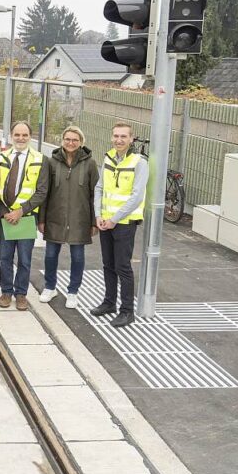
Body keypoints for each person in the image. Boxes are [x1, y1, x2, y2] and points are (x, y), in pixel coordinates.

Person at [90, 121, 149, 328]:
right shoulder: (107, 159)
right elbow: (99, 188)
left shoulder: (139, 162)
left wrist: (114, 219)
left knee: (122, 267)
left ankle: (127, 311)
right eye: (116, 136)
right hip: (106, 221)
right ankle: (109, 303)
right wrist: (98, 215)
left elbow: (136, 197)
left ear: (131, 139)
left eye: (123, 136)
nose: (119, 140)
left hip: (123, 223)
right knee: (108, 265)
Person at [38, 126, 99, 310]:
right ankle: (50, 287)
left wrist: (94, 221)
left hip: (80, 220)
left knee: (78, 257)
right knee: (50, 255)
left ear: (81, 142)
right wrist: (41, 219)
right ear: (62, 140)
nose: (71, 143)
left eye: (75, 140)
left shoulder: (90, 164)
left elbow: (95, 194)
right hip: (54, 218)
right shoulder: (51, 162)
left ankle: (73, 292)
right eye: (67, 139)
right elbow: (44, 192)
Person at [0, 121, 49, 311]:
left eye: (24, 135)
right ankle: (6, 291)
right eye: (17, 135)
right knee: (5, 257)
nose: (20, 138)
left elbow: (42, 192)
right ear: (11, 136)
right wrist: (4, 212)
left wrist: (20, 211)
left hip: (26, 218)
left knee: (25, 259)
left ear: (30, 137)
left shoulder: (40, 159)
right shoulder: (0, 157)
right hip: (5, 217)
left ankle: (21, 294)